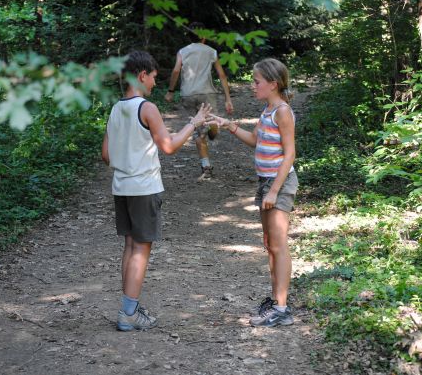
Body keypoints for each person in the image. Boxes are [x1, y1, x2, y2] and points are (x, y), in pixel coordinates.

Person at [101, 50, 211, 331]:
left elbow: (106, 154)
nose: (154, 83)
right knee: (141, 249)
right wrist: (194, 123)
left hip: (122, 188)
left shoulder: (116, 108)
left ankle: (129, 308)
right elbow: (169, 146)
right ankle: (129, 314)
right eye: (152, 77)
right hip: (144, 188)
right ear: (141, 75)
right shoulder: (146, 108)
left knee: (129, 245)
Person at [208, 58, 298, 327]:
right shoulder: (267, 109)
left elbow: (290, 153)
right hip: (265, 182)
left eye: (256, 81)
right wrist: (229, 125)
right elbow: (255, 141)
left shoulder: (282, 111)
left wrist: (274, 191)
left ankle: (282, 309)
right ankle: (275, 300)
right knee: (269, 244)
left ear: (273, 84)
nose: (252, 85)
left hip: (277, 184)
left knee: (279, 245)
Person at [164, 22, 234, 180]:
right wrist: (227, 99)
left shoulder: (182, 51)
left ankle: (206, 167)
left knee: (197, 130)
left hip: (187, 95)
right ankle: (211, 129)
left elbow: (176, 70)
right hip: (207, 94)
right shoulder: (211, 51)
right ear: (203, 36)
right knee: (212, 124)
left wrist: (170, 91)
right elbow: (222, 75)